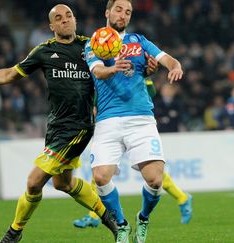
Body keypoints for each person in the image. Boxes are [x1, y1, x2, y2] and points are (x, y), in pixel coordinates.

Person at [0, 4, 118, 243]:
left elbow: (117, 63)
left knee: (33, 181)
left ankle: (14, 232)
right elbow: (9, 74)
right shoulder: (44, 51)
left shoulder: (90, 47)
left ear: (75, 19)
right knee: (64, 184)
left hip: (79, 126)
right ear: (51, 26)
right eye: (58, 18)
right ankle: (112, 219)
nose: (65, 20)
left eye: (68, 16)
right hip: (56, 127)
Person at [84, 0, 184, 242]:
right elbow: (97, 71)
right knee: (100, 177)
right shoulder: (94, 43)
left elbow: (166, 58)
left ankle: (143, 217)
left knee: (155, 180)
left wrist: (174, 66)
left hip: (141, 118)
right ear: (107, 12)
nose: (123, 15)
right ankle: (121, 225)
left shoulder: (139, 41)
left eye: (127, 12)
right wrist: (114, 68)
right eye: (118, 9)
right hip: (108, 119)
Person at [73, 80, 193, 229]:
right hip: (110, 125)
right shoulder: (103, 70)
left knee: (152, 174)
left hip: (135, 125)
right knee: (99, 173)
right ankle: (94, 215)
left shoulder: (132, 66)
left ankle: (181, 197)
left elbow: (150, 90)